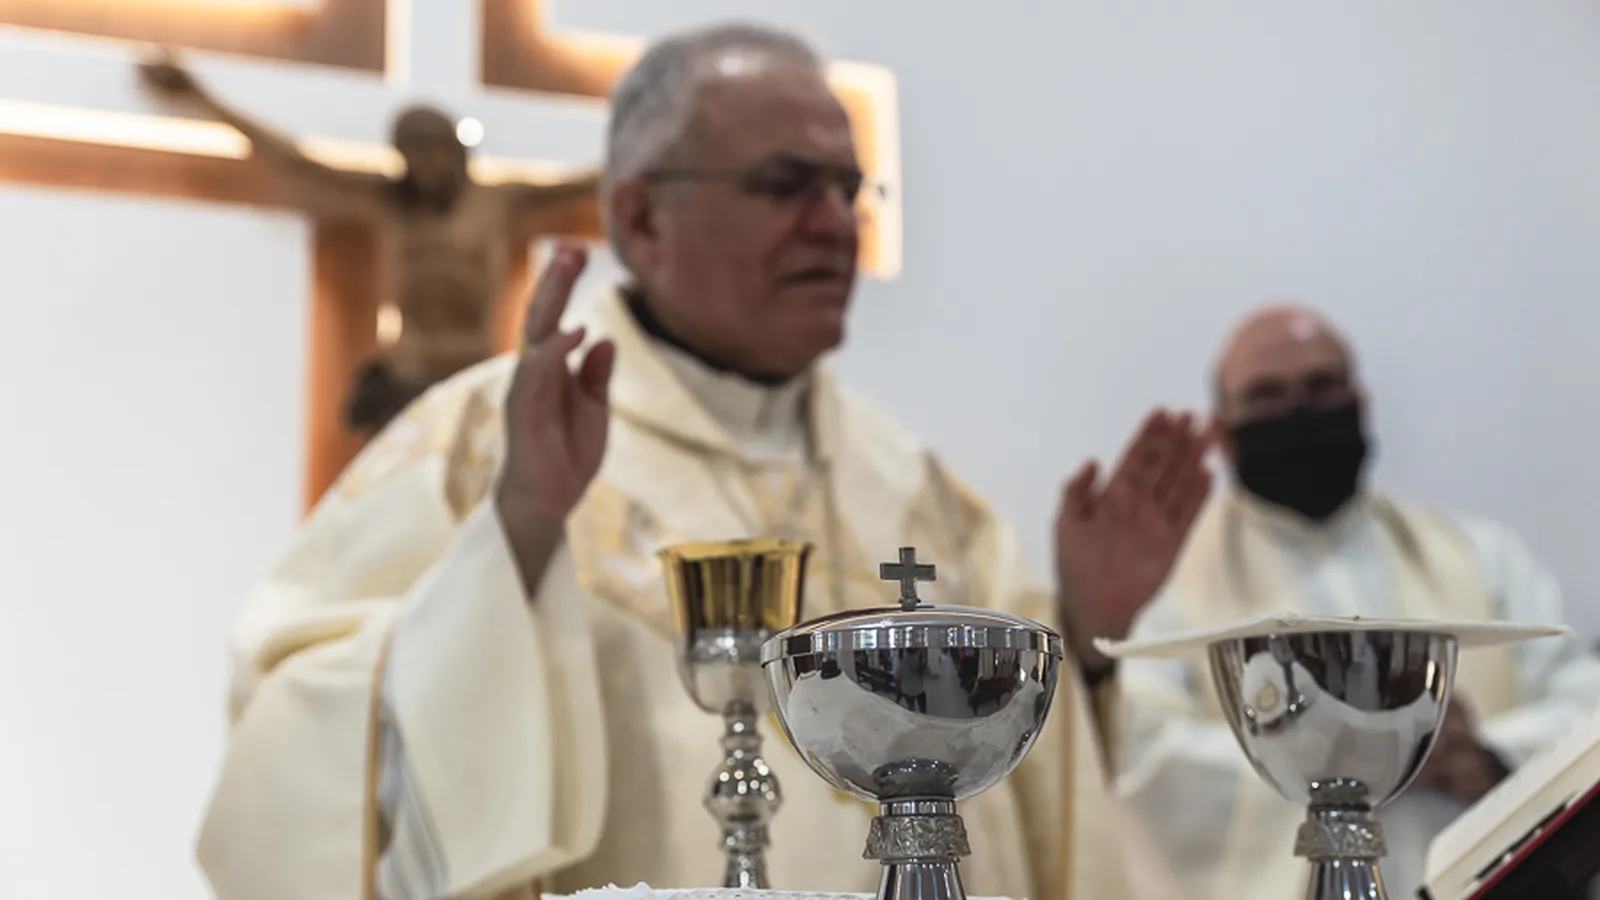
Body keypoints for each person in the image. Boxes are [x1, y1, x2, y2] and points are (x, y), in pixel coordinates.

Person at [194, 22, 1210, 900]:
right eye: (785, 185)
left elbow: (1035, 818)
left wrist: (1085, 643)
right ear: (641, 217)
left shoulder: (919, 494)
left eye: (847, 188)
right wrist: (515, 540)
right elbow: (295, 763)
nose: (835, 224)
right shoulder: (482, 443)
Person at [1114, 303, 1600, 900]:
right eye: (1267, 396)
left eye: (1322, 386)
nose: (1299, 411)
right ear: (1220, 431)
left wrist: (1494, 759)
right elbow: (1141, 752)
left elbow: (1584, 705)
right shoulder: (1170, 585)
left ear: (1361, 404)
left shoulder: (1480, 554)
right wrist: (1361, 756)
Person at [137, 50, 601, 435]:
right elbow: (296, 160)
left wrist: (648, 144)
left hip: (474, 377)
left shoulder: (499, 201)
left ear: (456, 151)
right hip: (407, 376)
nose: (426, 163)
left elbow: (587, 182)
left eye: (434, 148)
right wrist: (201, 99)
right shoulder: (388, 201)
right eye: (412, 150)